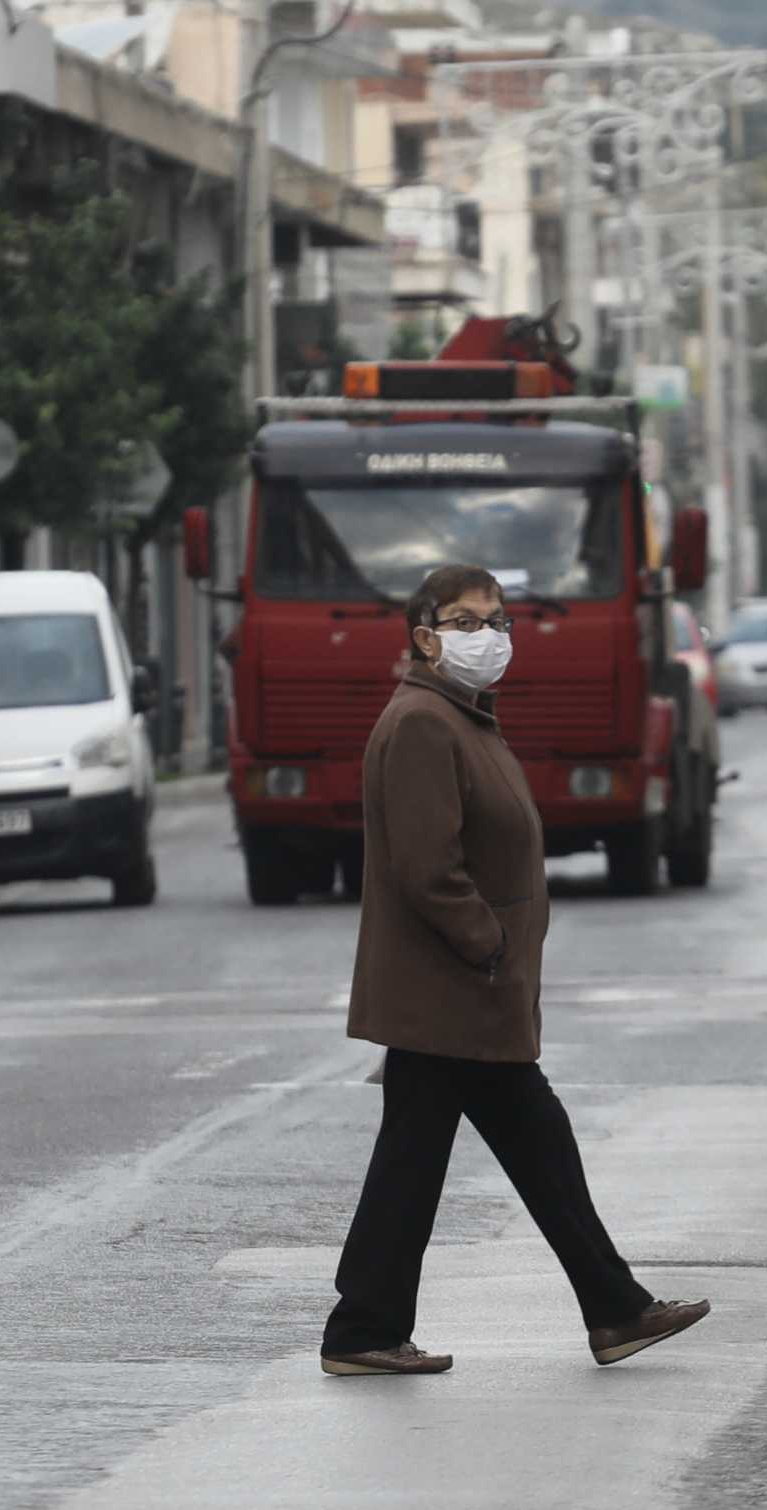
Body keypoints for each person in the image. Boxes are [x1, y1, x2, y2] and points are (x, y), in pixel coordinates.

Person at [322, 563, 710, 1377]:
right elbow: (429, 868)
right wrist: (487, 944)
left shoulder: (462, 717)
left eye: (497, 620)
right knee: (480, 1153)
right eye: (465, 622)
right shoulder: (427, 723)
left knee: (477, 1153)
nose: (488, 637)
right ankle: (373, 1328)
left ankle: (605, 1308)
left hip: (468, 994)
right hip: (453, 990)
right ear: (424, 637)